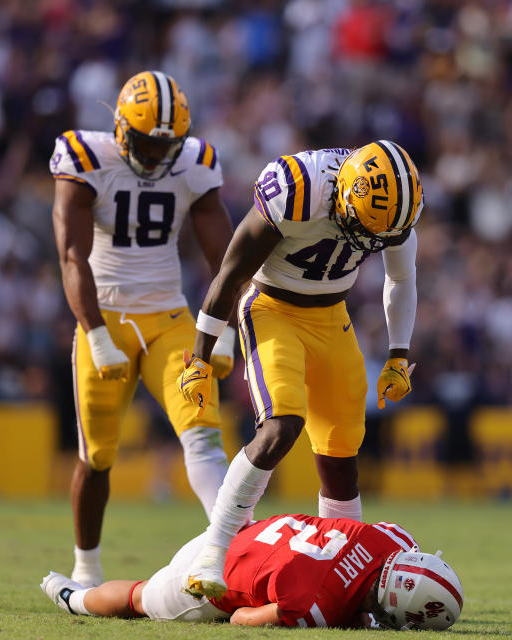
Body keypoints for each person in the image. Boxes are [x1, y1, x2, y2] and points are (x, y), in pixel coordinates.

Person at [177, 141, 422, 598]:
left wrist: (398, 354)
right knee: (282, 425)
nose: (372, 239)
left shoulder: (393, 206)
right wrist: (200, 357)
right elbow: (230, 273)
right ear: (345, 193)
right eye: (367, 225)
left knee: (342, 451)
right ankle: (216, 547)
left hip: (333, 317)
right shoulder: (299, 188)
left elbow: (402, 278)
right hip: (273, 308)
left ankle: (338, 578)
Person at [50, 70, 235, 587]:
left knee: (203, 440)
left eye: (165, 146)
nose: (155, 157)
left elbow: (225, 259)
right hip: (104, 313)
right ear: (119, 128)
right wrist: (94, 333)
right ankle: (85, 567)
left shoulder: (195, 161)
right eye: (147, 144)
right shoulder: (86, 157)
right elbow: (71, 256)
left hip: (170, 321)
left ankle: (229, 552)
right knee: (97, 455)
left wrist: (225, 329)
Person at [41, 513, 463, 630]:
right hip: (212, 578)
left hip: (240, 532)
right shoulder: (317, 608)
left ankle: (77, 593)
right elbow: (241, 617)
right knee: (138, 598)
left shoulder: (394, 540)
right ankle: (72, 597)